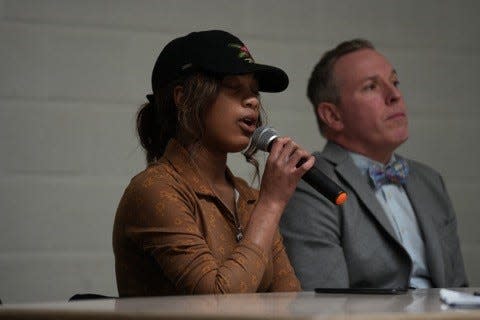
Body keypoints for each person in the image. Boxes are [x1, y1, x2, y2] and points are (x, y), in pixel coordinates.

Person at [113, 30, 315, 296]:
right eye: (233, 88)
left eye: (255, 91)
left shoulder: (248, 197)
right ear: (183, 98)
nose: (253, 100)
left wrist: (265, 204)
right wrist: (272, 204)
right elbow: (217, 301)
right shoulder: (155, 189)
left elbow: (290, 299)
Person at [280, 39, 468, 290]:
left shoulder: (430, 181)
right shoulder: (310, 183)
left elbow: (458, 290)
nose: (395, 95)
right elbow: (323, 305)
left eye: (395, 82)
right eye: (371, 87)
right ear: (333, 116)